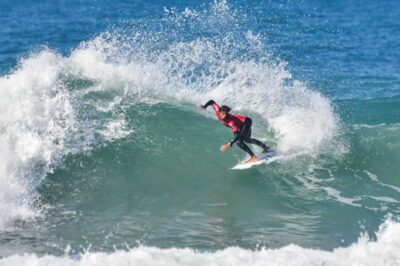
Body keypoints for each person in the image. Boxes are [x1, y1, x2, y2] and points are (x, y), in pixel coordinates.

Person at [200, 99, 270, 163]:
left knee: (240, 142)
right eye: (222, 113)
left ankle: (254, 157)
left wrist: (229, 144)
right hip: (243, 123)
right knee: (248, 140)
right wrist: (205, 106)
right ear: (220, 111)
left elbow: (238, 135)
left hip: (246, 122)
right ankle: (265, 147)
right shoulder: (218, 110)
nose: (223, 115)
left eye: (225, 114)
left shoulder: (231, 122)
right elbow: (212, 102)